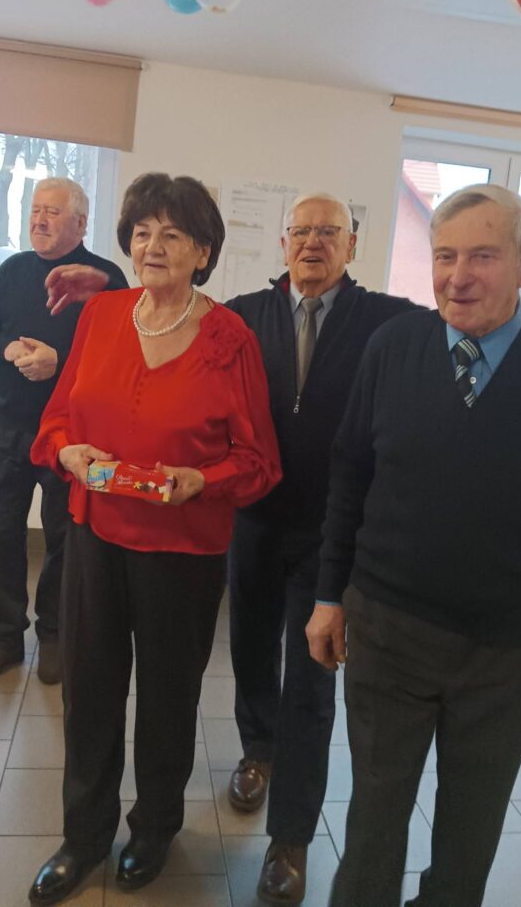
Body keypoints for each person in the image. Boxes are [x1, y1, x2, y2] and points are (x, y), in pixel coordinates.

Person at [306, 183, 521, 907]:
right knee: (372, 827)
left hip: (505, 651)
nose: (458, 277)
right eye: (444, 256)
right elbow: (350, 475)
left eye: (482, 256)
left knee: (468, 837)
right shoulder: (393, 347)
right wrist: (329, 594)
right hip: (387, 631)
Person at [27, 173, 282, 906]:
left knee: (169, 698)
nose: (153, 246)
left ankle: (154, 828)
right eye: (141, 233)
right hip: (96, 538)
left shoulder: (230, 339)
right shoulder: (102, 314)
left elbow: (258, 460)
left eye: (172, 234)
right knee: (89, 692)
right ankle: (83, 837)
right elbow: (57, 418)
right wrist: (69, 451)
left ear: (203, 251)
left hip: (183, 552)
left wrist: (202, 479)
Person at [225, 193, 419, 905]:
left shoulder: (388, 321)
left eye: (328, 232)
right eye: (301, 231)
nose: (312, 242)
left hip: (332, 534)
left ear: (352, 245)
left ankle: (291, 838)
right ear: (282, 244)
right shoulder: (244, 315)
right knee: (249, 648)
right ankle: (257, 750)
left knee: (311, 681)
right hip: (252, 519)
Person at [0, 178, 128, 688]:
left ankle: (53, 634)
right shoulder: (12, 271)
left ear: (81, 222)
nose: (39, 219)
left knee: (63, 537)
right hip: (9, 427)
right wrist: (7, 348)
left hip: (72, 437)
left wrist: (63, 361)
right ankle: (5, 638)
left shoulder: (106, 280)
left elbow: (123, 352)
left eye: (52, 211)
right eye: (35, 210)